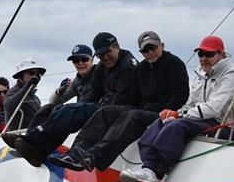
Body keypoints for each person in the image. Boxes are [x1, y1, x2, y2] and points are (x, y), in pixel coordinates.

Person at [120, 35, 234, 182]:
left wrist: (180, 114)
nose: (204, 58)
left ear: (221, 55)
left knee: (178, 125)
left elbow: (214, 107)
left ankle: (158, 174)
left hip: (232, 128)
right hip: (210, 121)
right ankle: (148, 168)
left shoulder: (232, 73)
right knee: (162, 121)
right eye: (200, 54)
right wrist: (174, 114)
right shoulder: (202, 74)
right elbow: (190, 104)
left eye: (209, 54)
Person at [48, 30, 189, 172]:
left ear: (162, 46)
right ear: (141, 52)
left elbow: (181, 94)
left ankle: (94, 156)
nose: (149, 52)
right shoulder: (141, 68)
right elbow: (134, 98)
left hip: (163, 113)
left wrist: (168, 111)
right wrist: (119, 112)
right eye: (145, 50)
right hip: (143, 109)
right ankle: (76, 153)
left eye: (152, 47)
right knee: (106, 111)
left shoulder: (174, 64)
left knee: (132, 116)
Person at [6, 34, 138, 167]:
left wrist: (81, 110)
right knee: (54, 108)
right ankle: (34, 147)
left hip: (121, 109)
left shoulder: (127, 66)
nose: (104, 57)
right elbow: (94, 94)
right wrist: (66, 102)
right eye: (100, 54)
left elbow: (121, 101)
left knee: (73, 110)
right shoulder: (94, 71)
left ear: (117, 47)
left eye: (84, 59)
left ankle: (41, 145)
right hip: (104, 106)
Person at [27, 43, 99, 128]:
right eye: (76, 60)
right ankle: (31, 135)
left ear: (92, 60)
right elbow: (54, 102)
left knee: (68, 109)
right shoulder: (77, 81)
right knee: (48, 108)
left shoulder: (100, 73)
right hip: (82, 118)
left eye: (84, 59)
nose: (80, 63)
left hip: (97, 115)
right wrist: (60, 91)